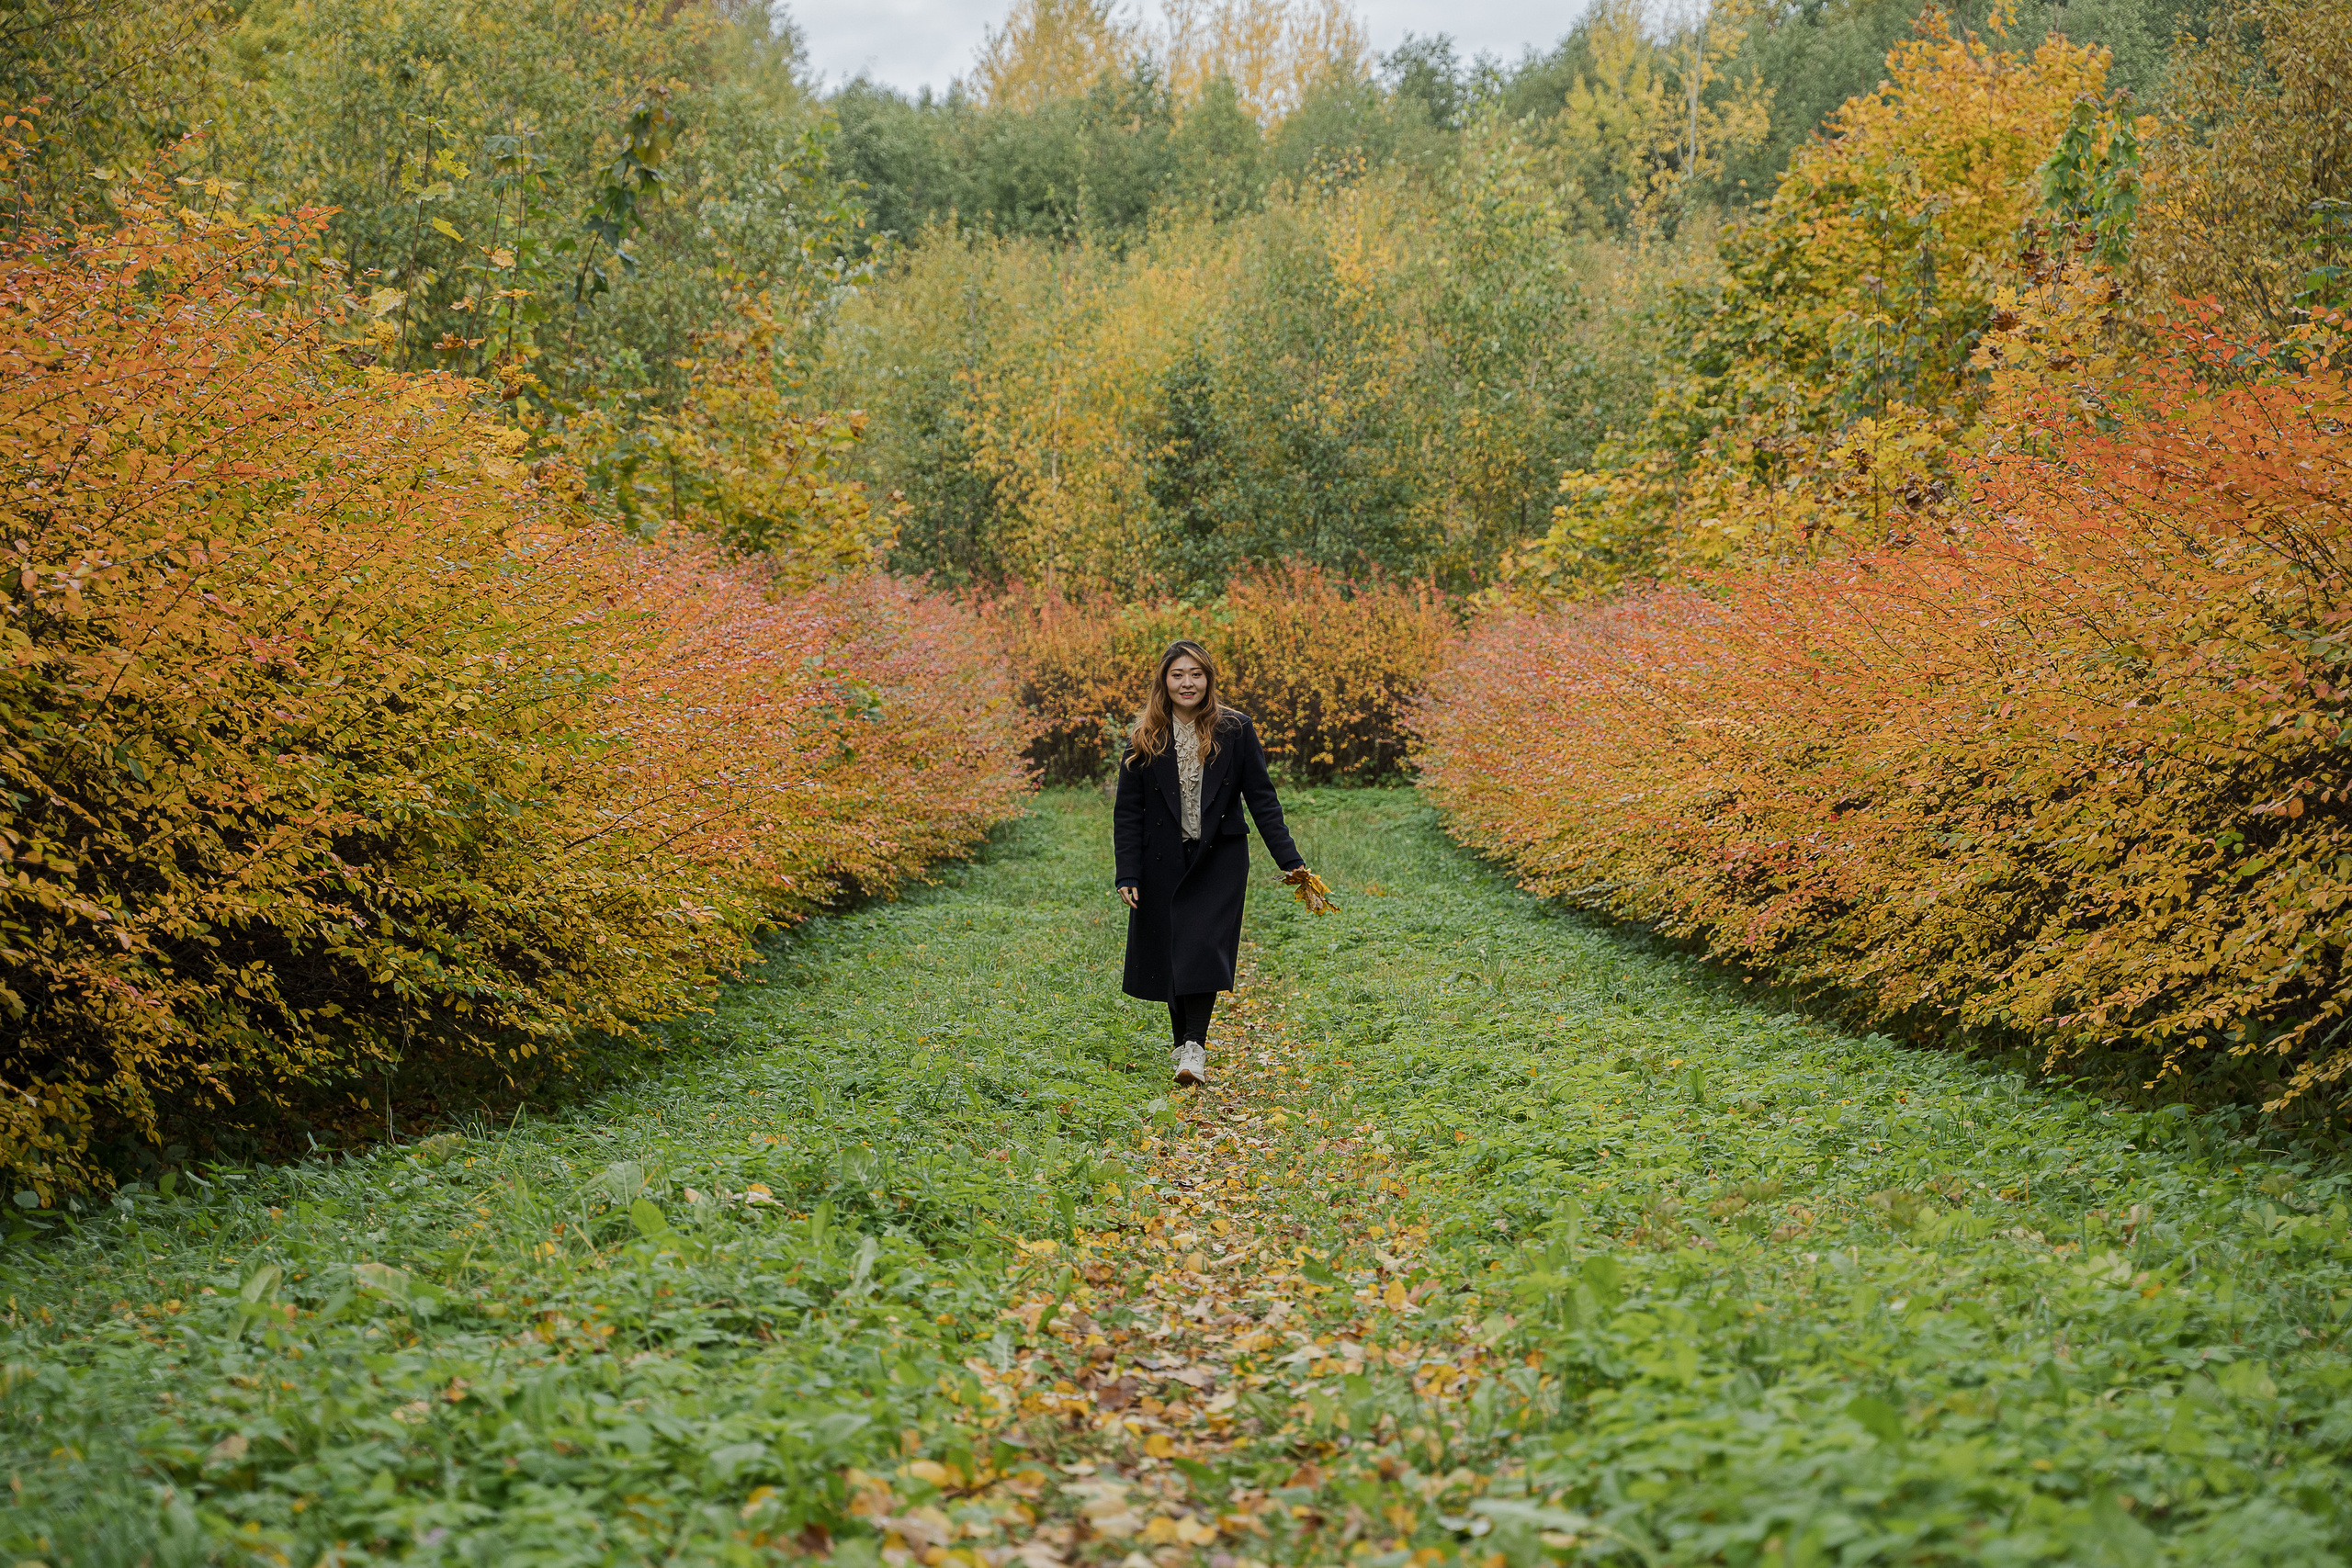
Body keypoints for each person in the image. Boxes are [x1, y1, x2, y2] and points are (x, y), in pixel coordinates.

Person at [1113, 639, 1314, 1087]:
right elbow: (1128, 811)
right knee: (1171, 946)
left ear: (1209, 679)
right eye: (1178, 674)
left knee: (1202, 945)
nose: (1188, 683)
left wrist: (1290, 860)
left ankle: (1194, 1046)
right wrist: (1127, 870)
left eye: (1196, 674)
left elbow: (1262, 798)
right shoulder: (1144, 735)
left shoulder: (1235, 730)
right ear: (1164, 681)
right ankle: (1183, 1042)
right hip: (1160, 858)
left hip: (1218, 858)